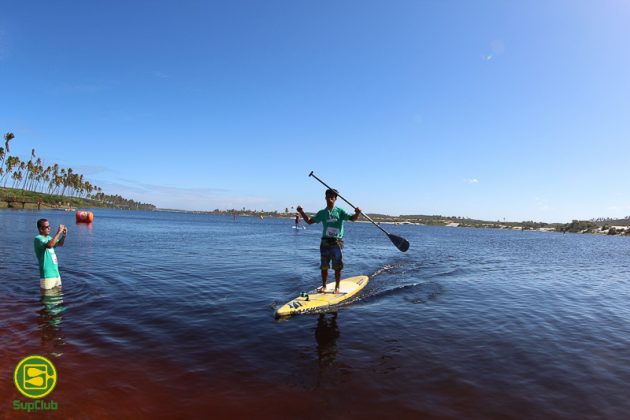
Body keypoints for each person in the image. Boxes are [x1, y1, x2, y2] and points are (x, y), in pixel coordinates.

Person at [297, 188, 360, 294]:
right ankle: (324, 286)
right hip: (325, 242)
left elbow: (352, 218)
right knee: (324, 266)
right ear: (325, 198)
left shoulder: (340, 211)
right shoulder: (322, 213)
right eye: (328, 196)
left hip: (337, 243)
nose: (330, 198)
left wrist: (357, 213)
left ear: (335, 199)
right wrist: (301, 212)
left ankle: (337, 287)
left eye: (333, 197)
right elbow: (309, 221)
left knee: (338, 267)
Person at [34, 219, 67, 290]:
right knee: (47, 300)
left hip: (56, 275)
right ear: (41, 229)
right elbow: (50, 245)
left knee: (58, 300)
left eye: (49, 226)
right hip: (47, 276)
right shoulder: (38, 239)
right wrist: (58, 232)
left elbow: (61, 244)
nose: (49, 228)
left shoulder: (50, 238)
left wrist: (64, 235)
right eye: (47, 227)